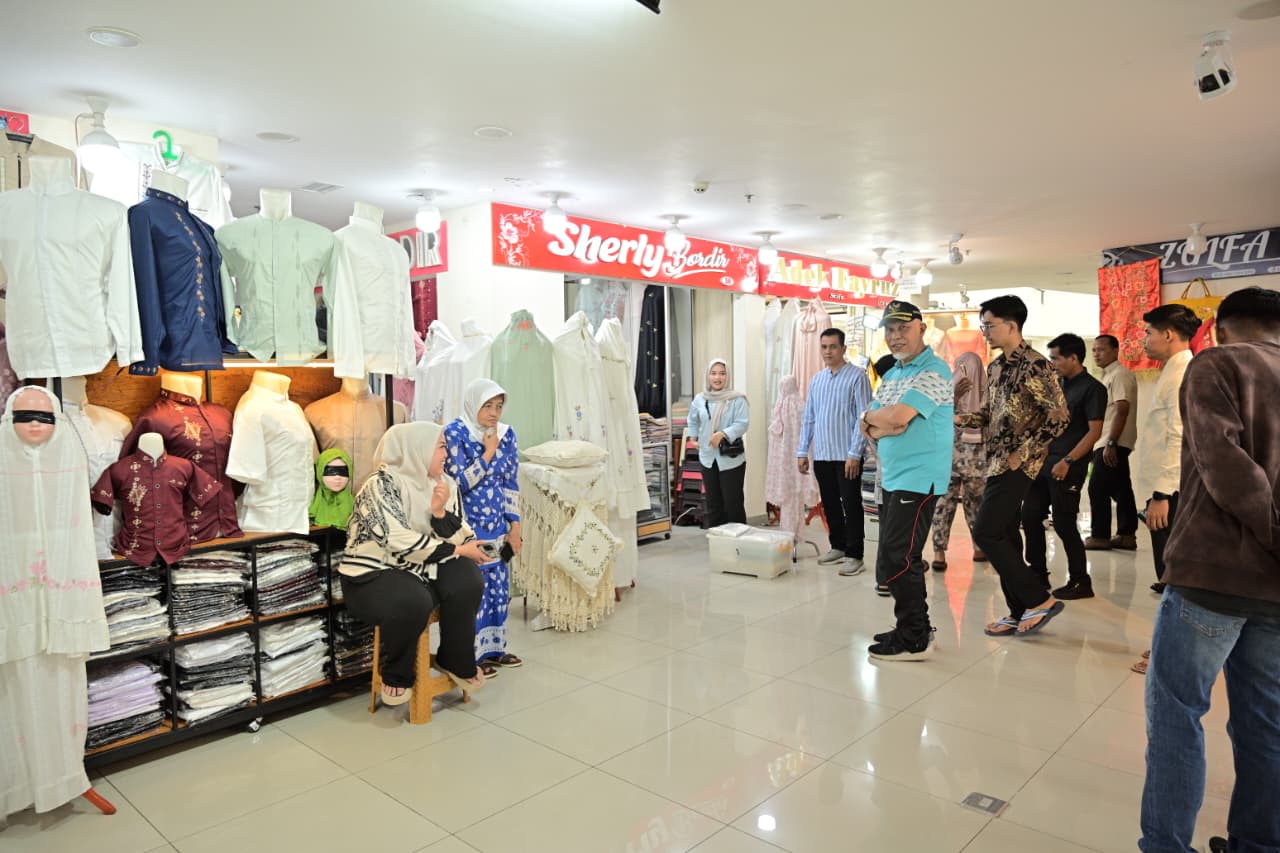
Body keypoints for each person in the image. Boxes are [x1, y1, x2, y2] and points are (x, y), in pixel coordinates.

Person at [1138, 287, 1280, 853]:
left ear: (1218, 328)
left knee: (1176, 716)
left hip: (1212, 573)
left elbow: (1225, 466)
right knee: (1265, 723)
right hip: (1273, 587)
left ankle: (1166, 846)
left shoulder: (1216, 364)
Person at [339, 422, 487, 707]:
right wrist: (457, 549)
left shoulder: (444, 484)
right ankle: (396, 674)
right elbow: (394, 537)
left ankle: (455, 659)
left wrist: (439, 513)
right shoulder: (380, 484)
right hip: (373, 572)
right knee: (412, 600)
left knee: (467, 578)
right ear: (417, 449)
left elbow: (465, 535)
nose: (446, 454)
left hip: (420, 569)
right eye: (441, 447)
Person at [958, 295, 1069, 637]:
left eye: (989, 326)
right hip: (994, 462)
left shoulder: (1035, 365)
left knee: (985, 531)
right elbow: (987, 414)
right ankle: (1019, 610)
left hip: (1019, 464)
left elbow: (1059, 418)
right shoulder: (995, 367)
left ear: (1011, 325)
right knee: (1005, 535)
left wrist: (1025, 451)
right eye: (983, 326)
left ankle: (1039, 599)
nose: (985, 332)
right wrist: (958, 417)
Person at [861, 301, 954, 660]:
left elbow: (898, 418)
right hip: (893, 476)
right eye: (890, 329)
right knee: (894, 556)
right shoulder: (893, 375)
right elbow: (869, 424)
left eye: (903, 328)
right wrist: (876, 421)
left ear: (921, 329)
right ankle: (911, 627)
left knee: (899, 557)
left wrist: (880, 420)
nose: (895, 336)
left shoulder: (934, 370)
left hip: (918, 478)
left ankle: (915, 636)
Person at [1132, 303, 1201, 674]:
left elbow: (1178, 438)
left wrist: (1161, 496)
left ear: (1168, 334)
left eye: (1148, 333)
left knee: (1172, 574)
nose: (1144, 340)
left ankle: (1172, 652)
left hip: (1170, 494)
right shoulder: (1173, 370)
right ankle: (1168, 645)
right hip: (1164, 491)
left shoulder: (1181, 373)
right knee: (1167, 573)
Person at [444, 378, 523, 678]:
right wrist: (488, 452)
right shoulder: (455, 433)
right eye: (487, 405)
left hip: (498, 526)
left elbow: (510, 482)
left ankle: (495, 649)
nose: (494, 413)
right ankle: (471, 656)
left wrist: (515, 526)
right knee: (474, 591)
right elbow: (458, 483)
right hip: (469, 528)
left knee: (498, 589)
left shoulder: (507, 434)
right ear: (473, 403)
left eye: (499, 406)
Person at [1022, 333, 1106, 600]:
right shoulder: (1056, 385)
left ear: (1074, 358)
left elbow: (1094, 432)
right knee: (1030, 516)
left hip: (1068, 466)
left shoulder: (1093, 389)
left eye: (1056, 358)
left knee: (1064, 523)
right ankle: (1037, 573)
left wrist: (1068, 460)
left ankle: (1081, 581)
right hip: (1043, 463)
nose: (1052, 364)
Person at [797, 327, 872, 575]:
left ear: (843, 349)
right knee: (829, 503)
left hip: (846, 456)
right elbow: (809, 418)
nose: (828, 352)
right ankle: (838, 546)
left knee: (851, 503)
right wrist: (802, 451)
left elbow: (863, 418)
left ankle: (855, 555)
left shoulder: (857, 377)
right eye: (824, 347)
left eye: (832, 347)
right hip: (822, 454)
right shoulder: (817, 380)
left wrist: (855, 453)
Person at [930, 350, 988, 572]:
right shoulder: (948, 387)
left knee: (976, 502)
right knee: (943, 503)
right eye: (963, 367)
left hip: (976, 456)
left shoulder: (987, 391)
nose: (967, 373)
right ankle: (939, 552)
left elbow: (989, 421)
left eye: (971, 368)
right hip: (948, 453)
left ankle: (979, 546)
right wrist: (953, 396)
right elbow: (936, 417)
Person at [1084, 334, 1140, 551]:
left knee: (1097, 487)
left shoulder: (1120, 375)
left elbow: (1122, 409)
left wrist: (1110, 443)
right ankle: (1126, 535)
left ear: (1115, 351)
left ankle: (1100, 536)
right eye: (1094, 350)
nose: (1096, 354)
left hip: (1113, 441)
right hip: (1107, 440)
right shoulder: (1108, 376)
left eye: (1101, 349)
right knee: (1121, 488)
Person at [687, 358, 749, 527]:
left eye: (722, 373)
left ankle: (737, 539)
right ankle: (717, 538)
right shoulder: (700, 399)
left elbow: (742, 423)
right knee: (713, 503)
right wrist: (693, 437)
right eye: (713, 373)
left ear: (727, 376)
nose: (717, 378)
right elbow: (693, 420)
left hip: (731, 459)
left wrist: (723, 434)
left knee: (733, 503)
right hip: (707, 458)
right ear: (708, 376)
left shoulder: (737, 399)